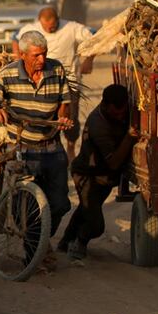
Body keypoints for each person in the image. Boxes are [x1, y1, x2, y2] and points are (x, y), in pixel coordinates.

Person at [0, 30, 73, 271]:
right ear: (22, 55)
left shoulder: (57, 70)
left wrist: (63, 118)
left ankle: (41, 240)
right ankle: (35, 253)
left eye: (44, 54)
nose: (42, 59)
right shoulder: (7, 74)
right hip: (20, 145)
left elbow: (64, 104)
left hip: (51, 145)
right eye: (36, 55)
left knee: (60, 204)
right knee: (25, 205)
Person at [58, 85, 138, 262]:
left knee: (86, 210)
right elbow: (114, 162)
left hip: (104, 178)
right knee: (96, 224)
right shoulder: (98, 124)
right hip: (87, 176)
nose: (121, 117)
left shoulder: (122, 113)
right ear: (105, 105)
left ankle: (65, 242)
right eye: (116, 113)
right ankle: (79, 242)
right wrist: (129, 138)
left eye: (123, 113)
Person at [14, 6, 94, 160]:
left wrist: (89, 59)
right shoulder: (31, 30)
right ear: (40, 22)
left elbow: (93, 38)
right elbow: (15, 39)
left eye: (52, 25)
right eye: (46, 26)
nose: (49, 29)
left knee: (70, 118)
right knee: (45, 117)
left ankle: (71, 147)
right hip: (42, 82)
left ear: (58, 20)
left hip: (70, 81)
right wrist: (19, 59)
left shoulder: (71, 28)